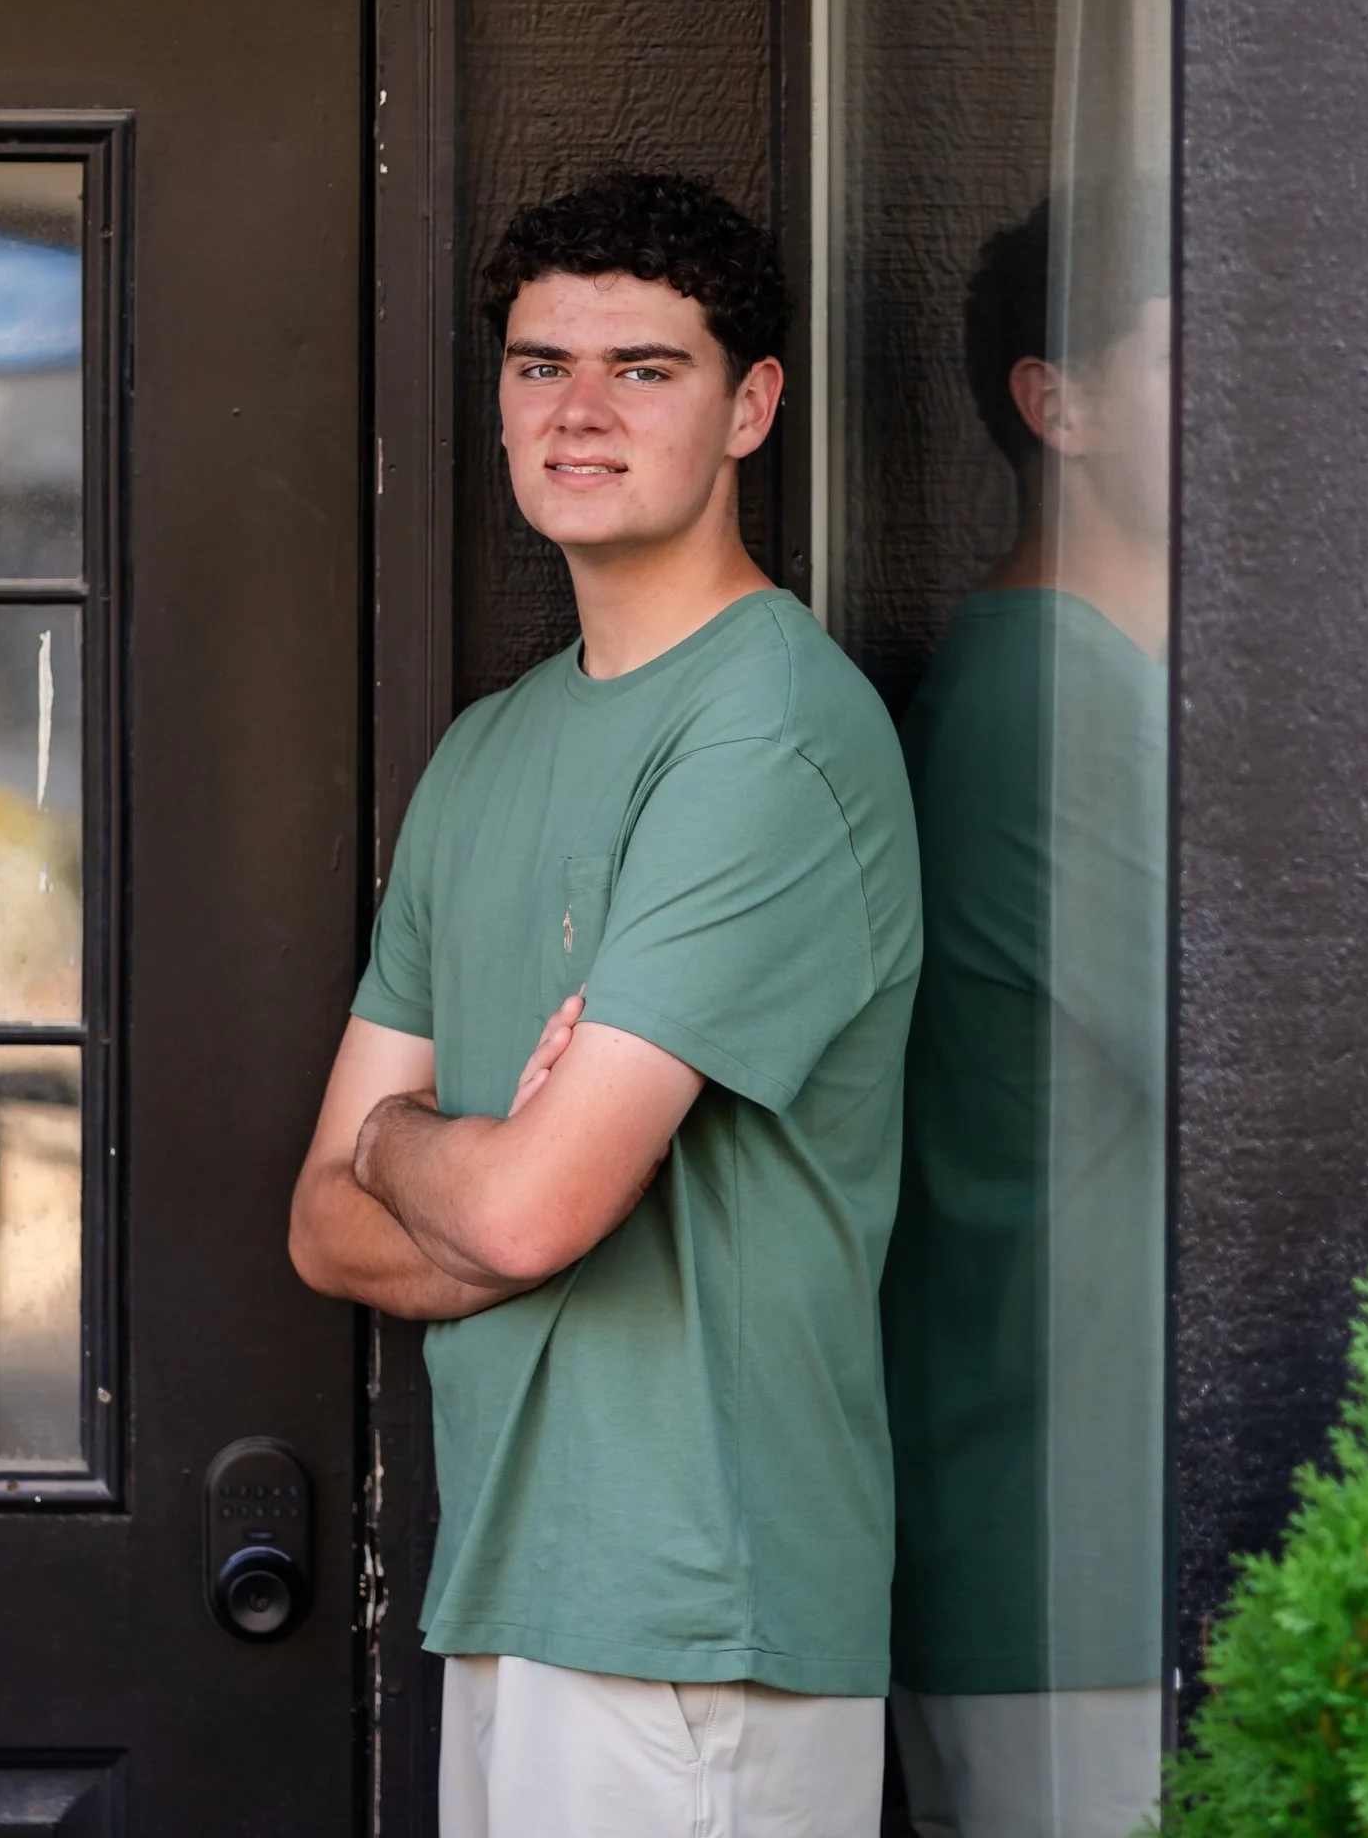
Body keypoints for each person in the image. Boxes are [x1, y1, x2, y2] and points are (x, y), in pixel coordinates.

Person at [287, 169, 922, 1837]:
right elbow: (323, 1229)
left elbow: (515, 1209)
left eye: (644, 369)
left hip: (700, 1615)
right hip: (513, 1583)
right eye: (538, 366)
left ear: (750, 408)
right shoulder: (486, 752)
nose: (578, 412)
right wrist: (485, 1172)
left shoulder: (770, 735)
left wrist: (411, 1144)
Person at [882, 187, 1171, 1838]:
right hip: (1067, 1585)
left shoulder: (1088, 683)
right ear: (1056, 405)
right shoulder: (1060, 703)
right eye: (1190, 353)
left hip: (1091, 1564)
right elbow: (1289, 1095)